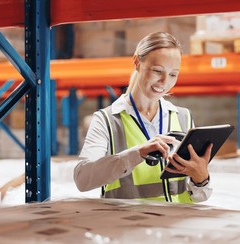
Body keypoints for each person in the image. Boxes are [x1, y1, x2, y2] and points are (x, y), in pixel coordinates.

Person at [74, 31, 213, 203]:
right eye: (157, 71)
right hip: (130, 226)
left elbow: (198, 197)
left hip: (178, 225)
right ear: (137, 62)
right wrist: (137, 153)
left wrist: (201, 179)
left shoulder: (183, 117)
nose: (164, 82)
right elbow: (82, 179)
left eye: (173, 74)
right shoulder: (107, 120)